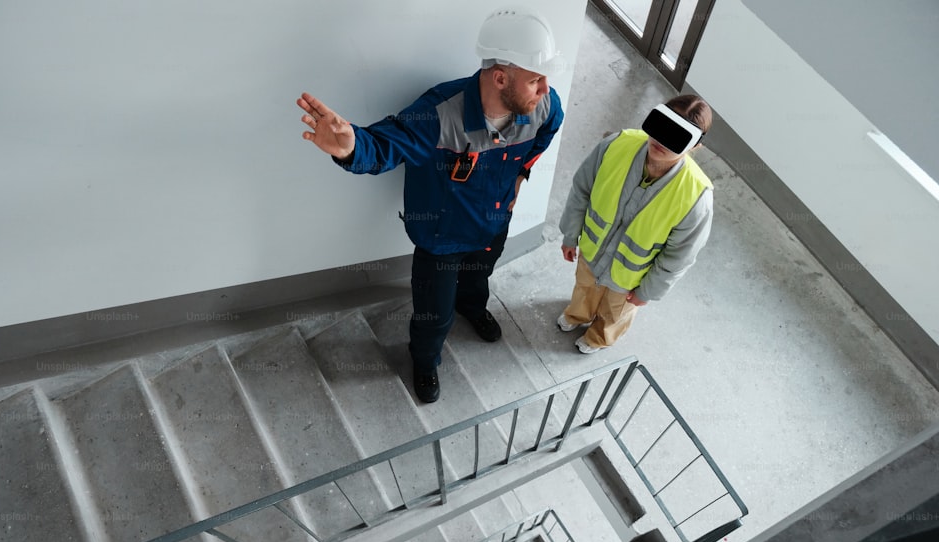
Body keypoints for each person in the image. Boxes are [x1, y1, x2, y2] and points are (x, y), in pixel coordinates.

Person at [298, 7, 564, 403]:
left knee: (478, 280)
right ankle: (424, 360)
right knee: (433, 315)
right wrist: (352, 146)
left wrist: (522, 175)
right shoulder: (439, 114)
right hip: (441, 240)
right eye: (536, 79)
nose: (546, 88)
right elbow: (387, 144)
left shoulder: (543, 107)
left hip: (493, 225)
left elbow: (546, 133)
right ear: (501, 77)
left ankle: (472, 309)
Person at [557, 95, 714, 354]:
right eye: (662, 126)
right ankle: (578, 316)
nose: (661, 140)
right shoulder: (617, 145)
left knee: (614, 313)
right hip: (591, 253)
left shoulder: (696, 196)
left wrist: (648, 291)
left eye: (676, 136)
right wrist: (570, 235)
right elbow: (581, 190)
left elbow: (680, 256)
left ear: (695, 146)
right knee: (583, 289)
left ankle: (598, 338)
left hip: (630, 279)